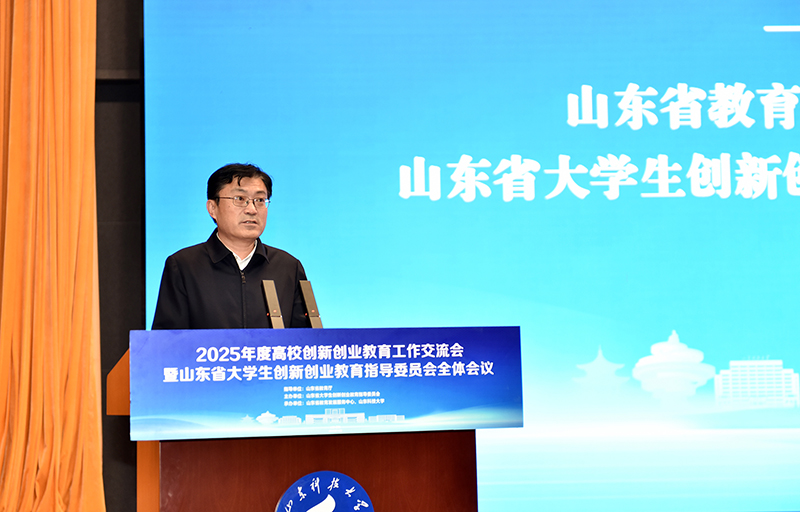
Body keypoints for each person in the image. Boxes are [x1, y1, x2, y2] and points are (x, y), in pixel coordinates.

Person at [152, 163, 310, 329]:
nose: (252, 209)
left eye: (259, 200)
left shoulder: (288, 267)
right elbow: (168, 341)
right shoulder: (183, 266)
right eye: (240, 199)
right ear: (212, 208)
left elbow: (306, 340)